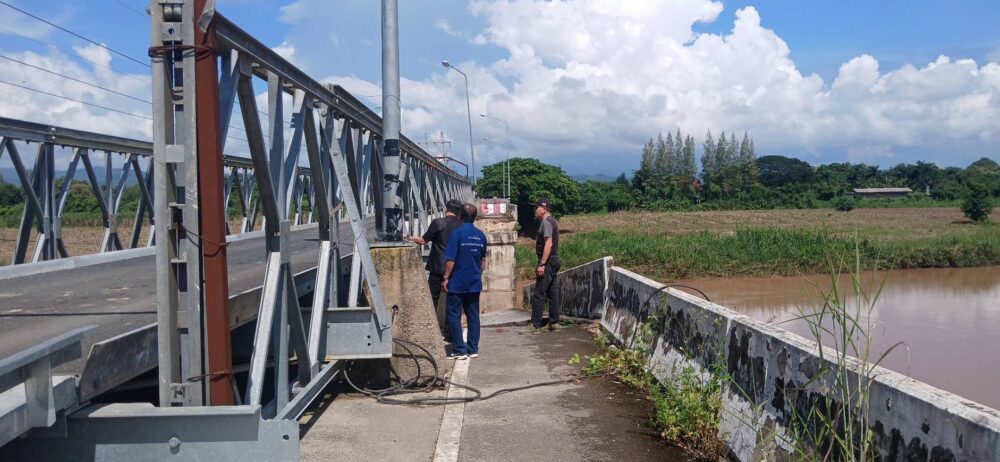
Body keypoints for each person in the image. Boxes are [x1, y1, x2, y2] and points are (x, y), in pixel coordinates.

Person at [405, 199, 463, 339]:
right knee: (452, 302)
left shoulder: (438, 223)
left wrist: (408, 237)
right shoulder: (461, 225)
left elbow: (423, 240)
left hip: (437, 267)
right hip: (455, 269)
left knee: (432, 300)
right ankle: (450, 334)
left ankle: (431, 332)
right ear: (458, 212)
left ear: (446, 209)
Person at [441, 203, 487, 359]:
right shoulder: (481, 235)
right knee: (473, 315)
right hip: (474, 282)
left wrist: (446, 278)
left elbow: (451, 260)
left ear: (459, 216)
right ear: (474, 217)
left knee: (454, 315)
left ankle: (460, 350)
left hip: (457, 282)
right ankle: (473, 349)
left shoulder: (457, 234)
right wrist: (476, 274)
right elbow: (483, 261)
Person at [523, 197, 561, 334]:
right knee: (552, 292)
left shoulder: (546, 222)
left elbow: (548, 244)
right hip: (554, 259)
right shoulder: (553, 221)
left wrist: (542, 263)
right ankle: (554, 322)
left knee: (539, 293)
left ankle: (535, 324)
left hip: (548, 261)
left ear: (544, 209)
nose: (535, 210)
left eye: (537, 207)